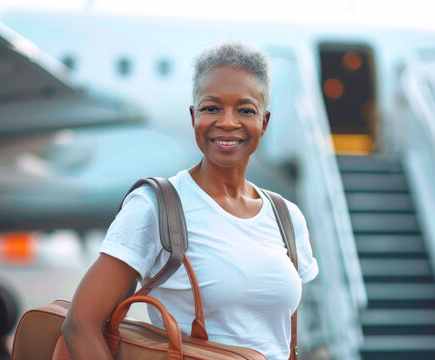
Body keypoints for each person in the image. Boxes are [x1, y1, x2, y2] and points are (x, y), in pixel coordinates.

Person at [62, 40, 318, 360]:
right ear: (193, 116)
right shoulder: (157, 206)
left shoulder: (287, 216)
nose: (227, 121)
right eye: (212, 108)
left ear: (264, 122)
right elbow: (80, 325)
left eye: (245, 110)